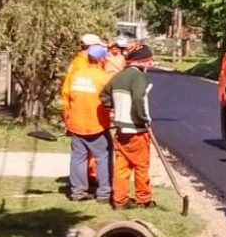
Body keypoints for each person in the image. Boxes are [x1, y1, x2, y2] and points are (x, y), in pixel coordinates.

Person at [101, 44, 155, 210]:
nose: (150, 65)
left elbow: (103, 95)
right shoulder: (138, 77)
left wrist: (115, 109)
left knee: (122, 166)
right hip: (137, 130)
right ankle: (143, 199)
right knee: (141, 166)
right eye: (149, 61)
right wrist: (143, 118)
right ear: (141, 61)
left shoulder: (118, 77)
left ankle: (120, 200)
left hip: (121, 130)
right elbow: (139, 99)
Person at [64, 45, 112, 202]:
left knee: (78, 158)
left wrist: (67, 119)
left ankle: (78, 192)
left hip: (76, 123)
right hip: (96, 125)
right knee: (102, 158)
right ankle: (104, 194)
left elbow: (68, 97)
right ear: (101, 59)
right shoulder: (104, 78)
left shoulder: (77, 75)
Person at [61, 33, 103, 188]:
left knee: (82, 154)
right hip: (85, 114)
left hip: (77, 113)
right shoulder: (82, 65)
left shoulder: (79, 61)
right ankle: (86, 182)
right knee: (86, 153)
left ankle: (85, 181)